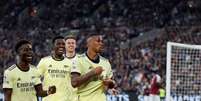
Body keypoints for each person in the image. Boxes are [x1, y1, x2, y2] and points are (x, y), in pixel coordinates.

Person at [71, 34, 116, 101]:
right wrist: (93, 73)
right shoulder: (78, 60)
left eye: (102, 41)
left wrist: (110, 84)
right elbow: (74, 83)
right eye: (98, 41)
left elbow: (111, 83)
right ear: (89, 43)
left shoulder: (106, 62)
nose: (101, 43)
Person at [37, 36, 74, 101]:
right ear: (53, 46)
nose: (61, 46)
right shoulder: (44, 61)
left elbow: (74, 82)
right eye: (58, 44)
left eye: (63, 44)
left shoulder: (71, 63)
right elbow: (35, 79)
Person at [64, 34, 79, 101]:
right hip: (62, 96)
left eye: (73, 43)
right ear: (65, 45)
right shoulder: (58, 60)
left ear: (76, 45)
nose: (71, 45)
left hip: (77, 97)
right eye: (68, 43)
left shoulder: (82, 60)